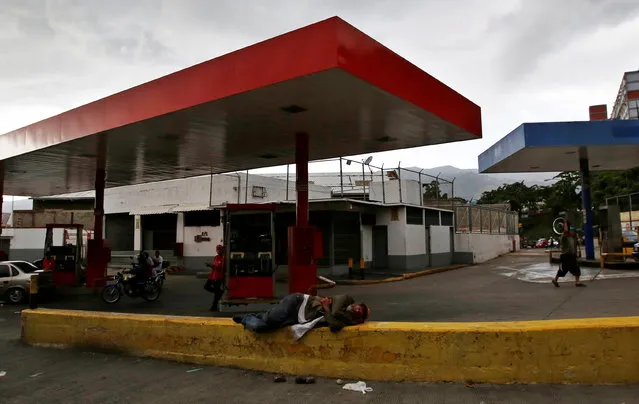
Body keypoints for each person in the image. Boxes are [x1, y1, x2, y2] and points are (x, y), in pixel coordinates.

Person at [233, 293, 369, 339]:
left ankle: (246, 318)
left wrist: (326, 307)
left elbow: (334, 327)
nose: (357, 309)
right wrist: (329, 313)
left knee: (260, 327)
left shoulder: (344, 320)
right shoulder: (345, 299)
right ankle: (260, 315)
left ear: (358, 318)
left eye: (359, 312)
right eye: (359, 307)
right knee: (271, 318)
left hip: (297, 319)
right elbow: (333, 315)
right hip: (298, 302)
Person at [552, 220, 586, 287]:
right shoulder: (564, 237)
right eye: (571, 230)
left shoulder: (574, 238)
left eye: (573, 231)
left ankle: (577, 282)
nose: (572, 232)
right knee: (563, 270)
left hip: (572, 256)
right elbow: (565, 231)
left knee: (576, 268)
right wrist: (565, 223)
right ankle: (555, 280)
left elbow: (577, 244)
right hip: (565, 256)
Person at [204, 244, 225, 312]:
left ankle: (214, 306)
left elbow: (221, 268)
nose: (218, 250)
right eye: (217, 249)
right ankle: (219, 292)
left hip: (218, 277)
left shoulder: (224, 258)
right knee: (206, 286)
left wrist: (212, 265)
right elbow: (215, 266)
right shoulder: (216, 257)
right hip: (212, 275)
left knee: (216, 294)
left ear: (222, 250)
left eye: (219, 249)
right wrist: (210, 266)